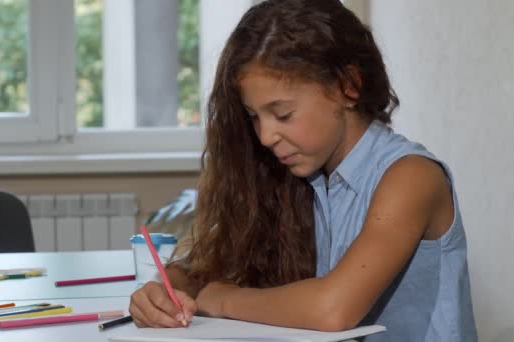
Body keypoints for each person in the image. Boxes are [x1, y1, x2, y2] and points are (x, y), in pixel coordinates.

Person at [129, 0, 477, 340]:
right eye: (254, 117)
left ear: (348, 86)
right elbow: (209, 266)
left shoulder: (411, 177)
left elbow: (333, 310)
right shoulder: (303, 175)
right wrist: (165, 291)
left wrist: (220, 299)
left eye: (283, 114)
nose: (265, 136)